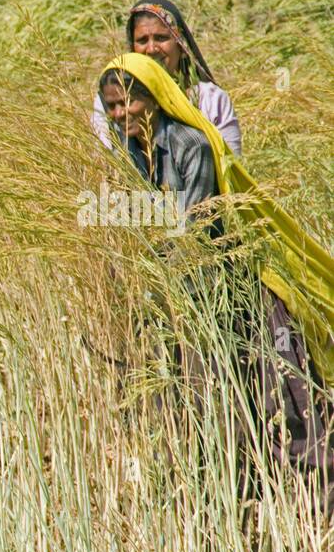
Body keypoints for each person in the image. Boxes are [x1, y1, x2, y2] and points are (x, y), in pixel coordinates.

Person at [98, 54, 334, 514]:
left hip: (236, 289)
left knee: (284, 400)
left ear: (155, 99)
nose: (120, 114)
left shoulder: (191, 146)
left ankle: (318, 508)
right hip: (183, 293)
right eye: (111, 107)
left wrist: (144, 232)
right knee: (199, 404)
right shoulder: (130, 153)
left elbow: (195, 223)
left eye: (128, 103)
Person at [92, 0, 242, 155]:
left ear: (180, 43)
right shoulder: (113, 101)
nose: (151, 49)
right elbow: (104, 161)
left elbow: (232, 164)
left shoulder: (211, 99)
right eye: (142, 41)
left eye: (161, 38)